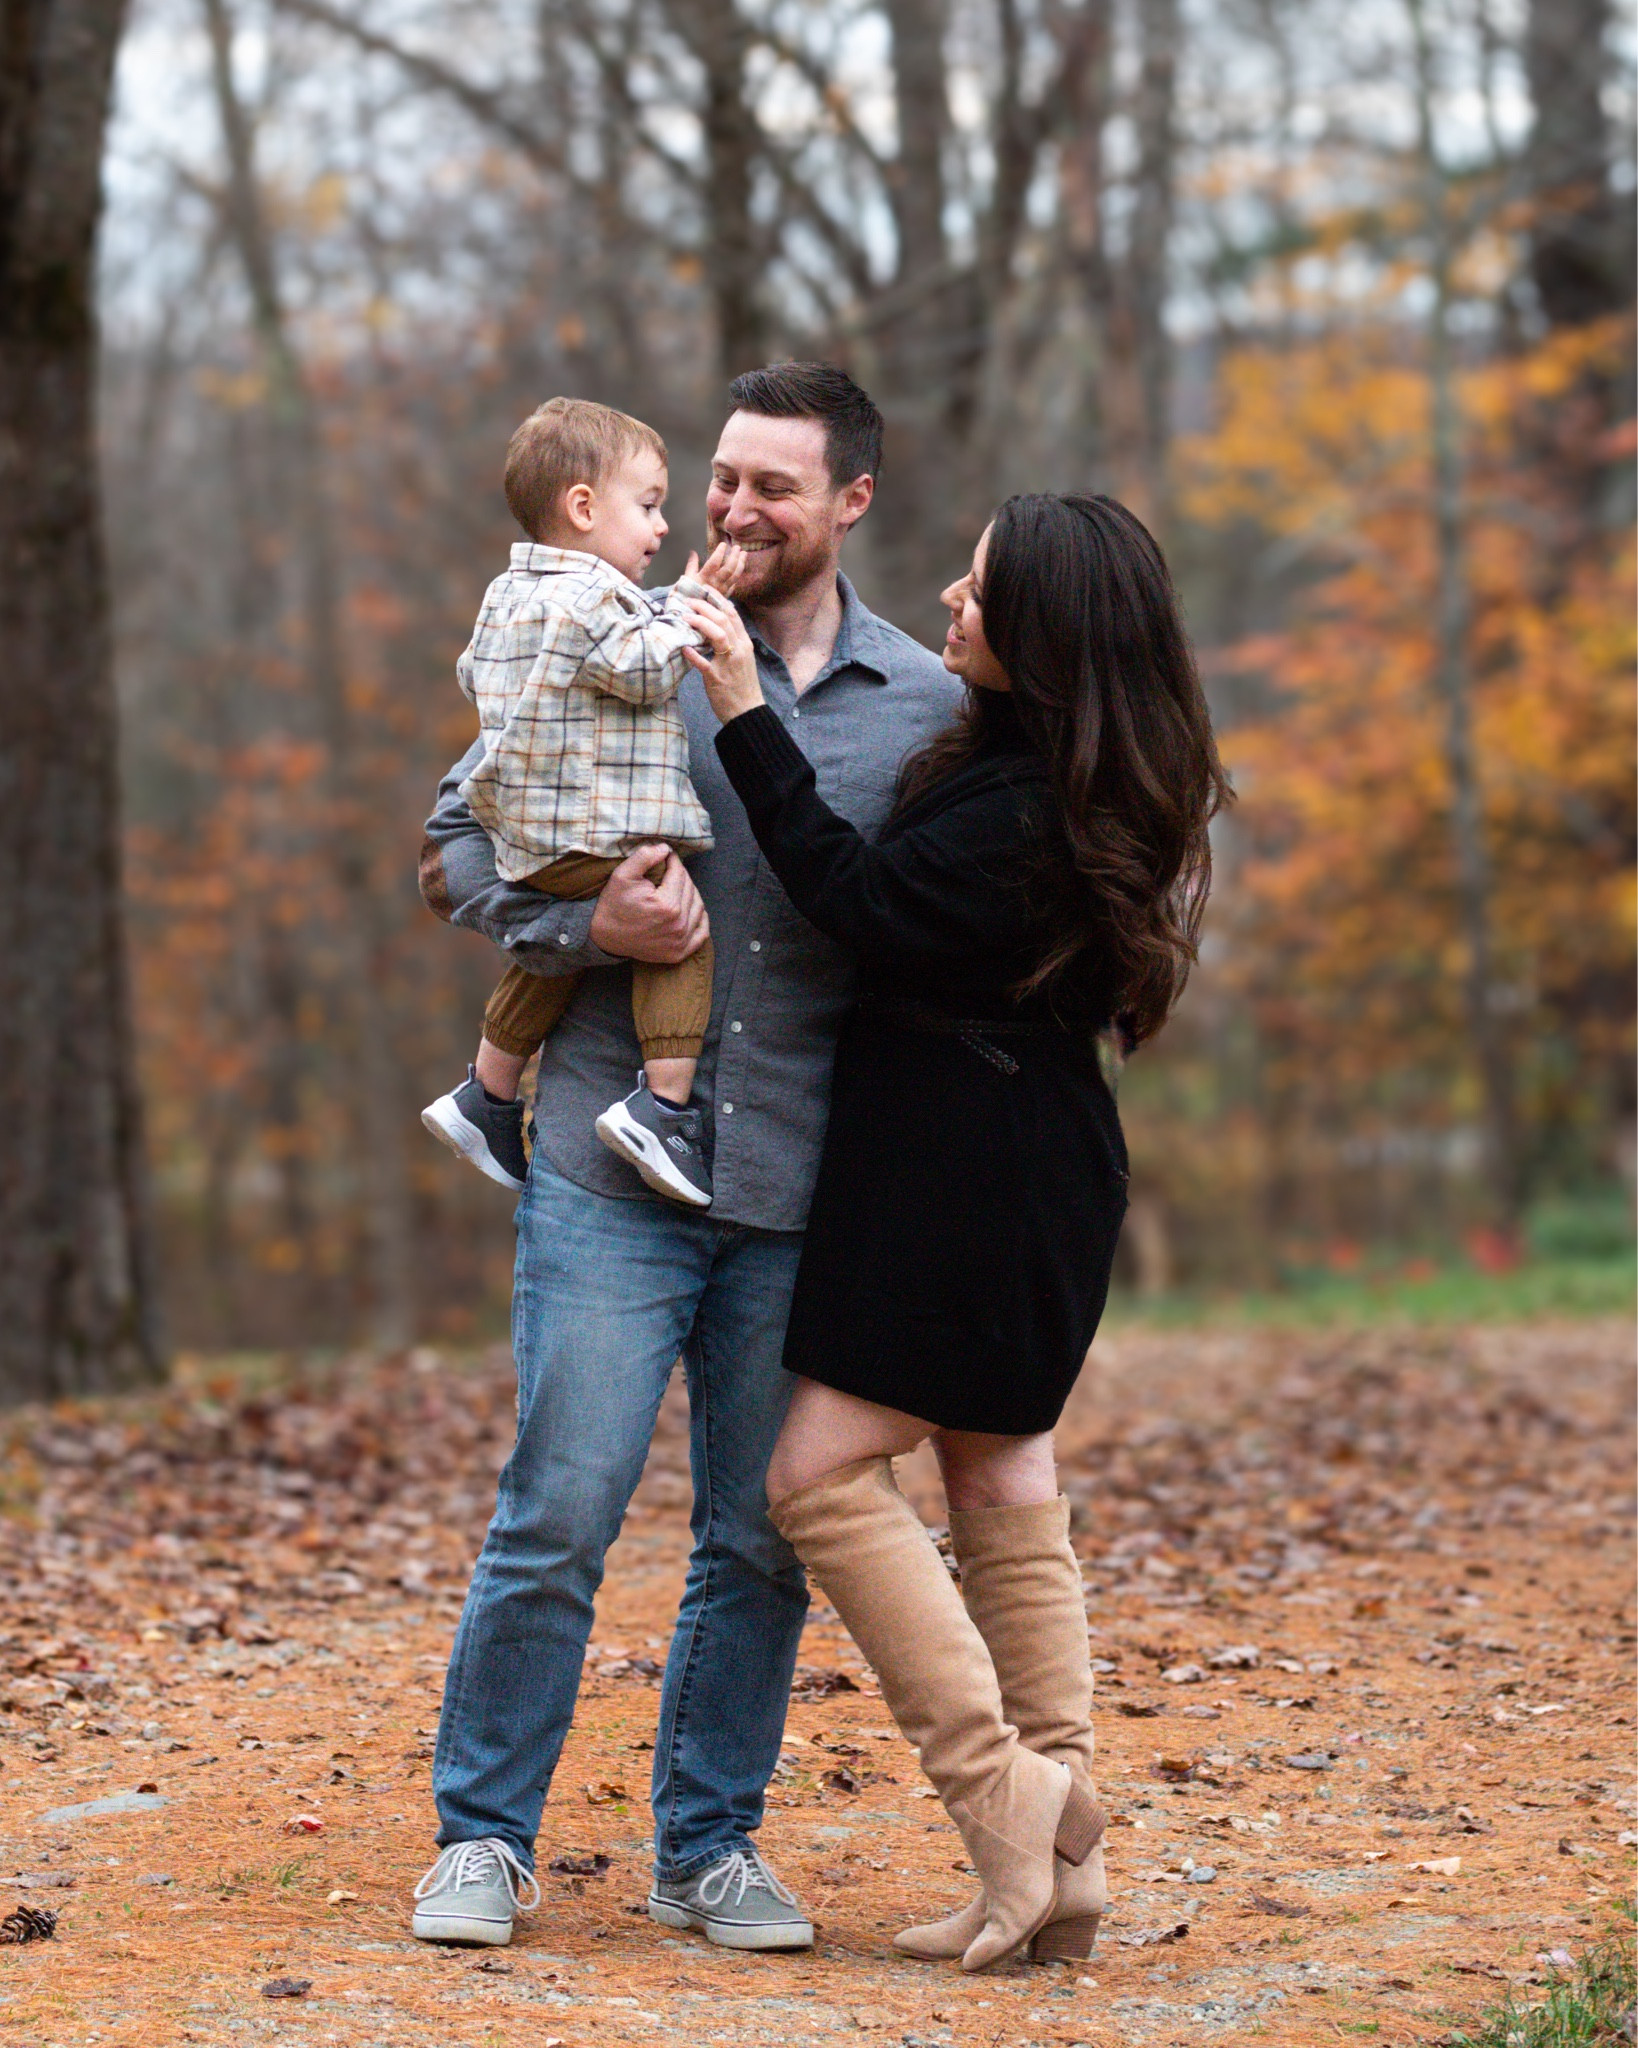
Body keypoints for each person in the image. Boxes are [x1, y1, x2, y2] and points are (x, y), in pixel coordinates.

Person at [409, 364, 959, 1949]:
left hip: (795, 1192)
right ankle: (483, 1838)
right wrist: (586, 923)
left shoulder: (923, 706)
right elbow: (450, 851)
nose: (730, 510)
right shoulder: (609, 630)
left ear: (850, 501)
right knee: (557, 1513)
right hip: (601, 1165)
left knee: (752, 1534)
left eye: (771, 487)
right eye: (718, 478)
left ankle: (706, 1848)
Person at [681, 492, 1230, 1971]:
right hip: (1025, 1156)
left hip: (964, 1172)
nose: (947, 597)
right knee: (999, 1474)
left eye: (979, 591)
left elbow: (857, 900)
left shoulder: (1031, 801)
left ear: (1041, 629)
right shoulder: (1059, 770)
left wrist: (743, 711)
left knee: (814, 1477)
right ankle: (1057, 1877)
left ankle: (1009, 1808)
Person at [419, 395, 738, 1209]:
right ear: (584, 508)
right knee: (673, 934)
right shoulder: (592, 597)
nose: (662, 528)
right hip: (597, 831)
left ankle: (485, 1093)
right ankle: (663, 1110)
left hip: (531, 841)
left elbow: (473, 675)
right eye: (650, 505)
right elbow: (645, 670)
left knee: (558, 953)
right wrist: (691, 612)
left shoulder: (508, 594)